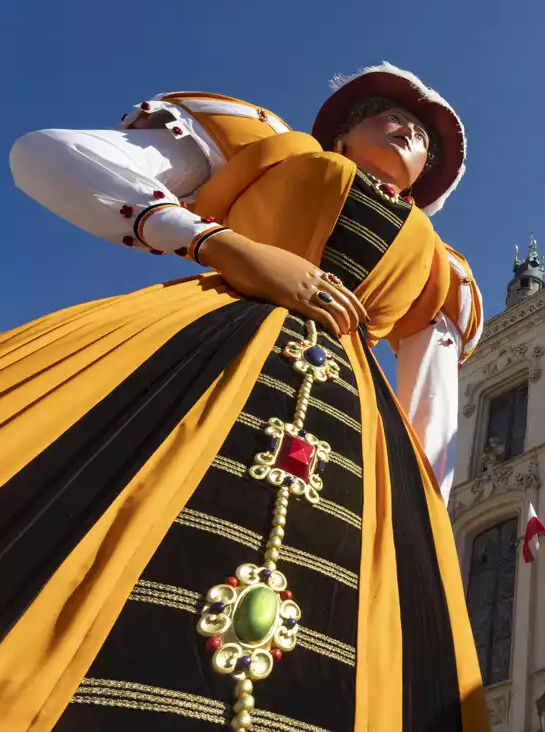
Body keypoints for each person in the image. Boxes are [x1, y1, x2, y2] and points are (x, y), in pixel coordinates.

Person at [0, 63, 488, 732]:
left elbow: (433, 413)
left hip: (353, 428)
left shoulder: (441, 269)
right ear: (344, 128)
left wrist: (419, 532)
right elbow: (45, 155)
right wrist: (223, 245)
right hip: (200, 346)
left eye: (425, 137)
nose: (409, 127)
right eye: (386, 110)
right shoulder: (265, 142)